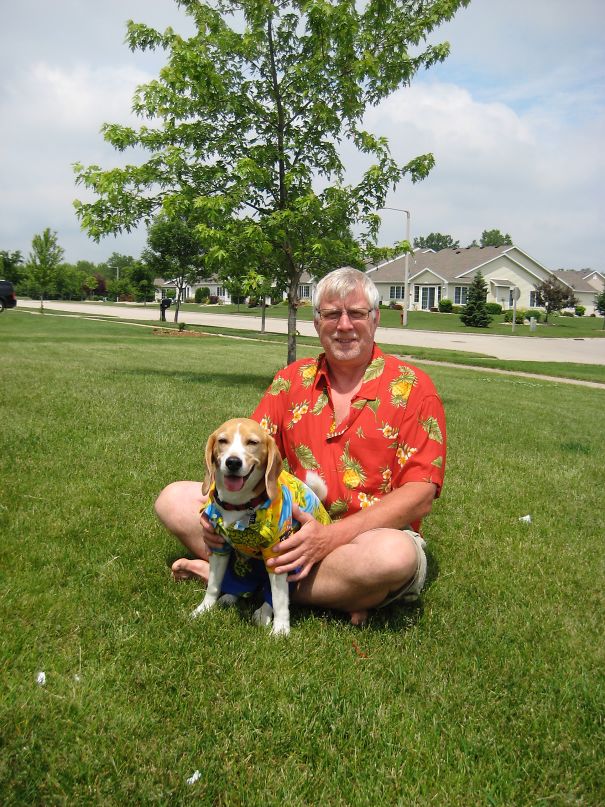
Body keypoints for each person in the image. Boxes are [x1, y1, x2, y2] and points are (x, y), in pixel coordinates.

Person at [155, 266, 446, 624]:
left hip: (364, 538)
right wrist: (215, 515)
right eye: (331, 314)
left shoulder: (414, 388)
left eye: (355, 313)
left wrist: (330, 537)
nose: (344, 325)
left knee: (392, 557)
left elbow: (421, 493)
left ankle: (245, 581)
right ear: (316, 322)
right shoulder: (291, 381)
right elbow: (248, 454)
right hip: (283, 527)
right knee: (173, 499)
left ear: (375, 319)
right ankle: (337, 594)